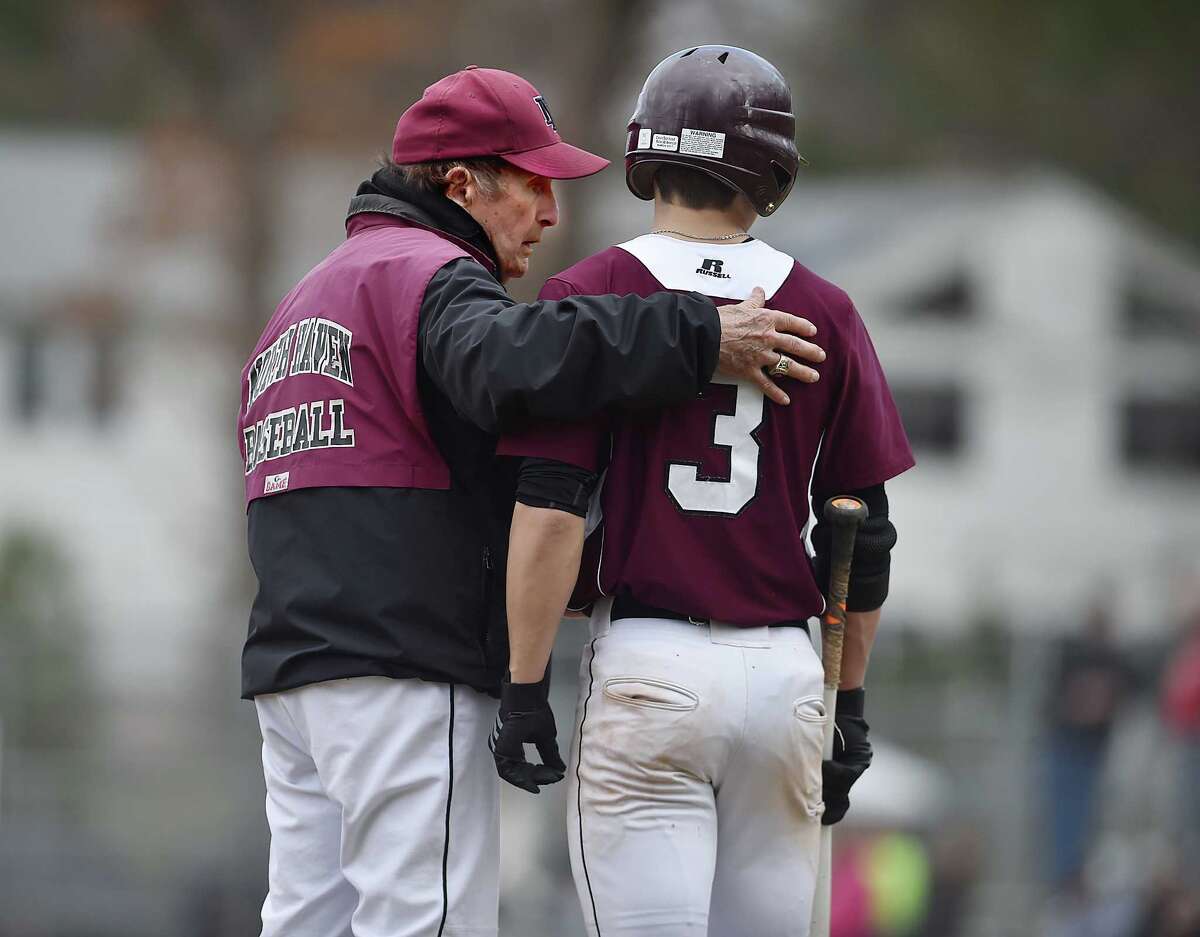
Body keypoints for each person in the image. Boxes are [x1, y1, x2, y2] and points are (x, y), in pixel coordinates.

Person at [237, 64, 825, 937]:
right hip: (404, 665)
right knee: (424, 923)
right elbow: (514, 360)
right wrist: (696, 332)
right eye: (534, 184)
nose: (552, 214)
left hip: (296, 677)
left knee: (308, 923)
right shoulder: (422, 271)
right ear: (462, 183)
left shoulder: (307, 298)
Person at [493, 46, 914, 937]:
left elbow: (552, 507)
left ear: (647, 153)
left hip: (653, 667)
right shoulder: (825, 307)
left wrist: (525, 684)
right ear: (772, 170)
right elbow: (860, 538)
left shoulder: (597, 289)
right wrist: (853, 707)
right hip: (787, 679)